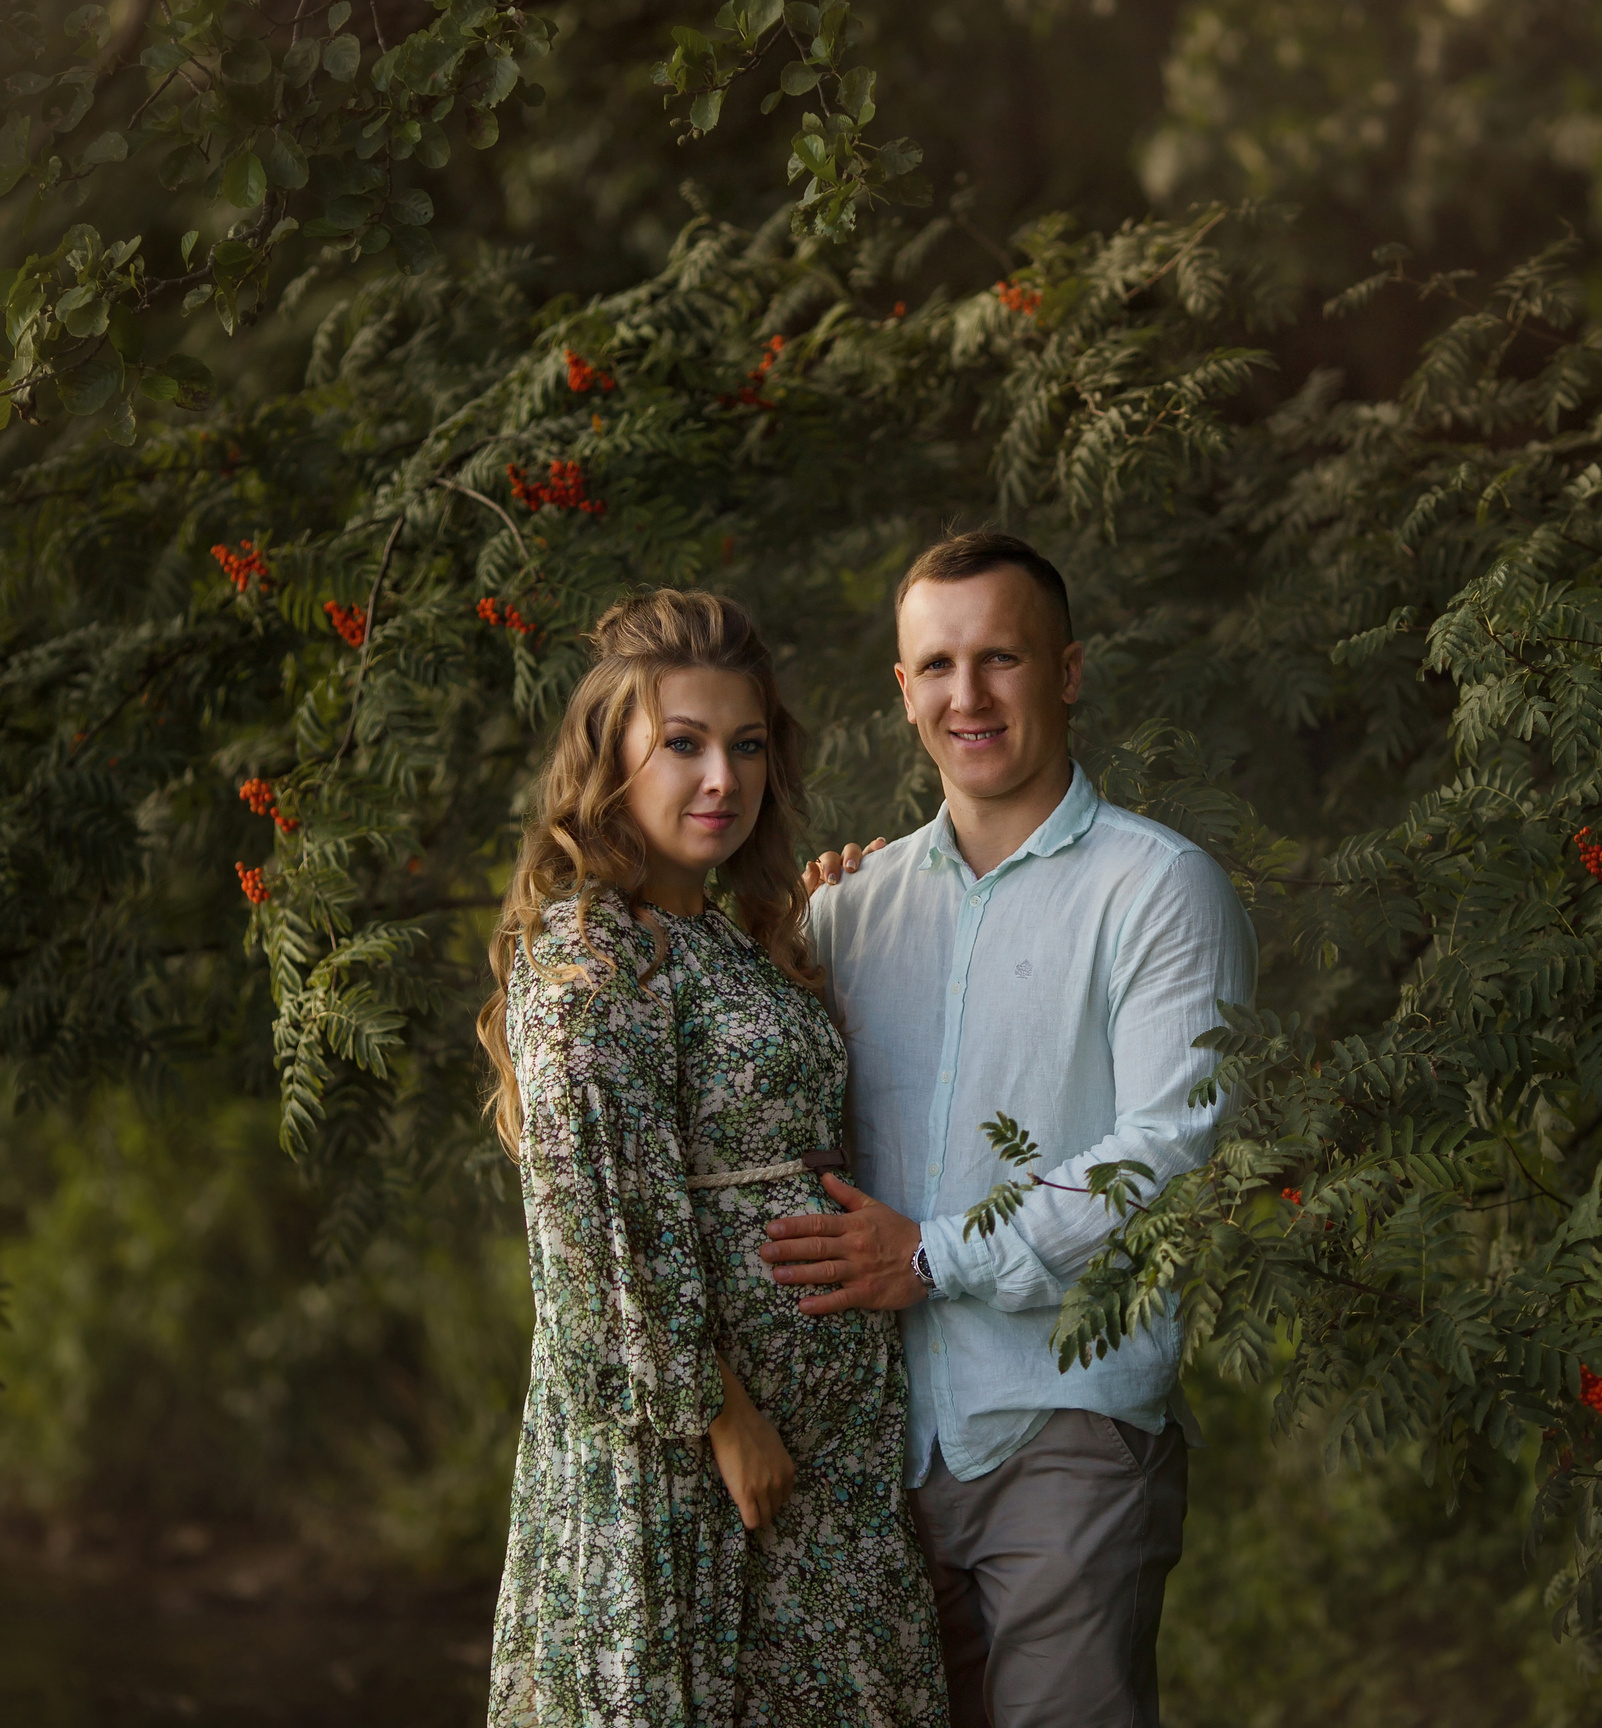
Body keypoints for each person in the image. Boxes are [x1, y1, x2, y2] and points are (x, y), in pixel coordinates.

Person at [758, 532, 1257, 1728]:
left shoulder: (1157, 888)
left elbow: (1170, 1148)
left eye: (1001, 659)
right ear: (902, 690)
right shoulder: (847, 910)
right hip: (868, 1450)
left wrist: (934, 1256)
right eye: (936, 665)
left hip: (1067, 1425)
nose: (966, 696)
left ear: (1068, 671)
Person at [477, 590, 948, 1728]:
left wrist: (837, 921)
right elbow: (593, 1228)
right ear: (613, 757)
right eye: (681, 745)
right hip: (682, 1466)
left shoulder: (724, 939)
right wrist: (721, 1415)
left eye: (743, 746)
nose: (719, 779)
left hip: (819, 1471)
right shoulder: (588, 953)